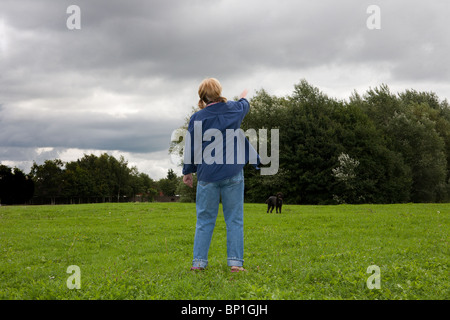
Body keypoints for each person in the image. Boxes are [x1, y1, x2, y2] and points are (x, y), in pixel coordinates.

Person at [182, 78, 260, 272]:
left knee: (204, 220)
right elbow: (245, 104)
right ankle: (235, 264)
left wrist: (188, 172)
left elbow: (191, 147)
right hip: (232, 173)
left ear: (201, 96)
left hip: (207, 174)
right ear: (219, 91)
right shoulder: (234, 109)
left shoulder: (197, 118)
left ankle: (198, 264)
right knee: (234, 219)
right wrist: (243, 96)